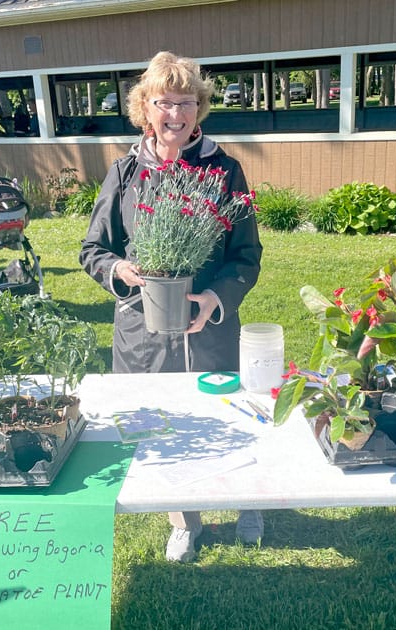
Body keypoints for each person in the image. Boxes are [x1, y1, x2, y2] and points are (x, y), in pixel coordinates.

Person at [79, 51, 264, 563]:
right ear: (146, 108)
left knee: (227, 417)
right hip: (144, 333)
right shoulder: (124, 174)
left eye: (187, 102)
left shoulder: (224, 170)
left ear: (199, 109)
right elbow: (93, 250)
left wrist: (216, 297)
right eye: (165, 103)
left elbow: (246, 255)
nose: (176, 115)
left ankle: (246, 501)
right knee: (162, 426)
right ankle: (184, 518)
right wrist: (119, 271)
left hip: (209, 330)